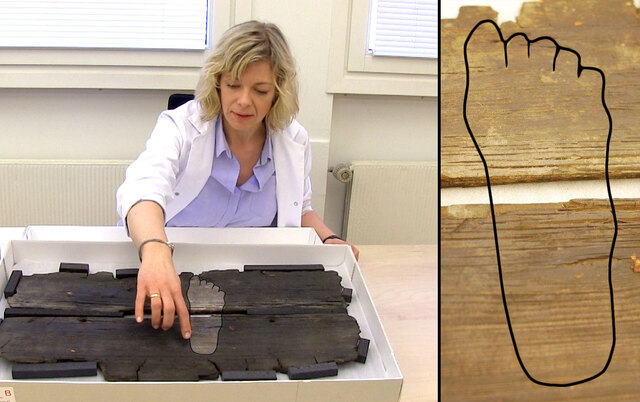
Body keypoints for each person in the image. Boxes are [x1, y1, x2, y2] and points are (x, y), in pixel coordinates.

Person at [116, 20, 359, 341]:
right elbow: (142, 188)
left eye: (260, 90)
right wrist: (156, 251)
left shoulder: (293, 141)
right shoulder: (180, 127)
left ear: (277, 93)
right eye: (233, 85)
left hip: (250, 278)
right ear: (217, 83)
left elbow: (300, 209)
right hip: (172, 263)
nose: (244, 100)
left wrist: (329, 241)